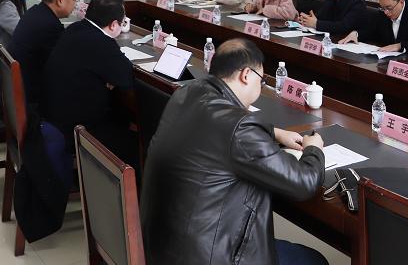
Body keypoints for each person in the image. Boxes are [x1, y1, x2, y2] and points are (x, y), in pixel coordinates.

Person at [140, 39, 327, 265]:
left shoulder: (186, 92)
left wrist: (274, 132)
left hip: (164, 248)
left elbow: (217, 127)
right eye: (261, 80)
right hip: (211, 256)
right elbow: (304, 182)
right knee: (314, 260)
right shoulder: (240, 128)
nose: (260, 87)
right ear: (246, 75)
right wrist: (313, 149)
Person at [41, 0, 137, 166]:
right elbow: (127, 78)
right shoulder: (102, 42)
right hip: (78, 129)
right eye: (122, 22)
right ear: (113, 24)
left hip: (53, 116)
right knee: (138, 144)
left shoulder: (75, 28)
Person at [8, 0, 77, 107]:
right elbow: (61, 68)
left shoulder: (35, 12)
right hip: (28, 103)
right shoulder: (50, 26)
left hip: (12, 96)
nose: (75, 4)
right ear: (60, 0)